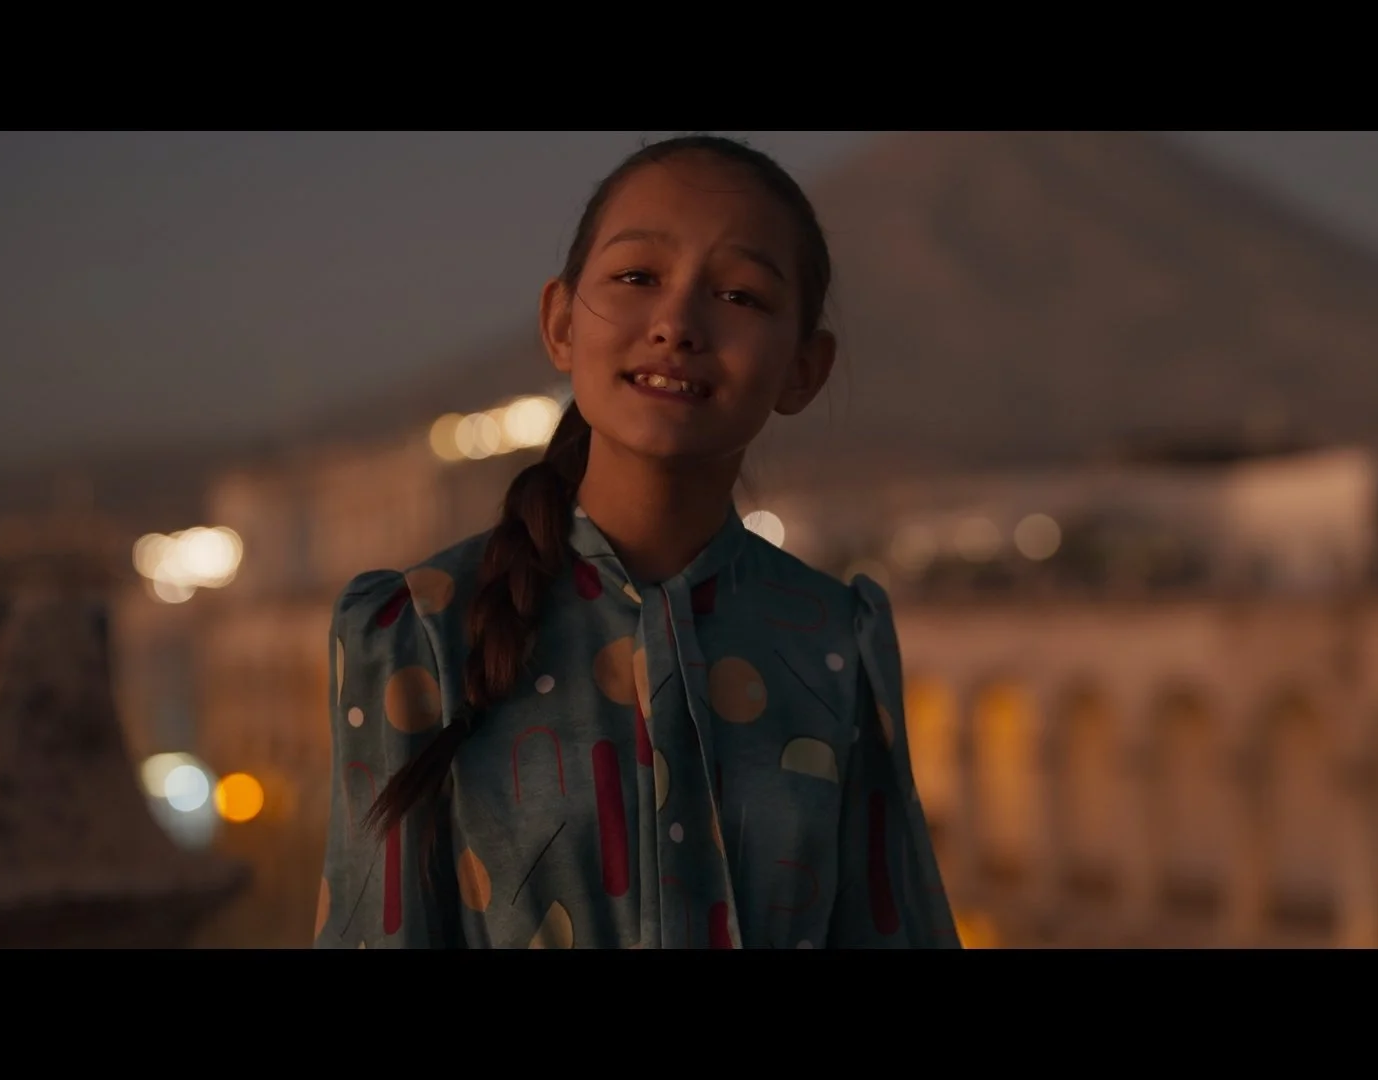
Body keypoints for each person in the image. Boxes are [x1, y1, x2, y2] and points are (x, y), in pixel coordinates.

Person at [312, 135, 960, 948]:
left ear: (805, 368)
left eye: (740, 295)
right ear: (560, 323)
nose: (677, 323)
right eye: (637, 277)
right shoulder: (420, 631)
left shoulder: (837, 642)